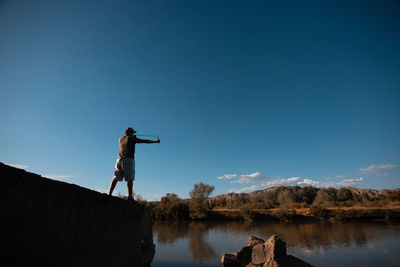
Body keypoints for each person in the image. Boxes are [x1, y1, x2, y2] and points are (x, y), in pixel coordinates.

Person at [108, 127, 160, 200]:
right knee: (130, 179)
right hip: (128, 159)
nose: (133, 133)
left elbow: (127, 141)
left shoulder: (120, 139)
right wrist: (155, 141)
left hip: (119, 159)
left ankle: (109, 194)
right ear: (130, 132)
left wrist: (133, 138)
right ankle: (130, 197)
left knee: (116, 177)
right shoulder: (131, 138)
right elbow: (144, 141)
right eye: (132, 132)